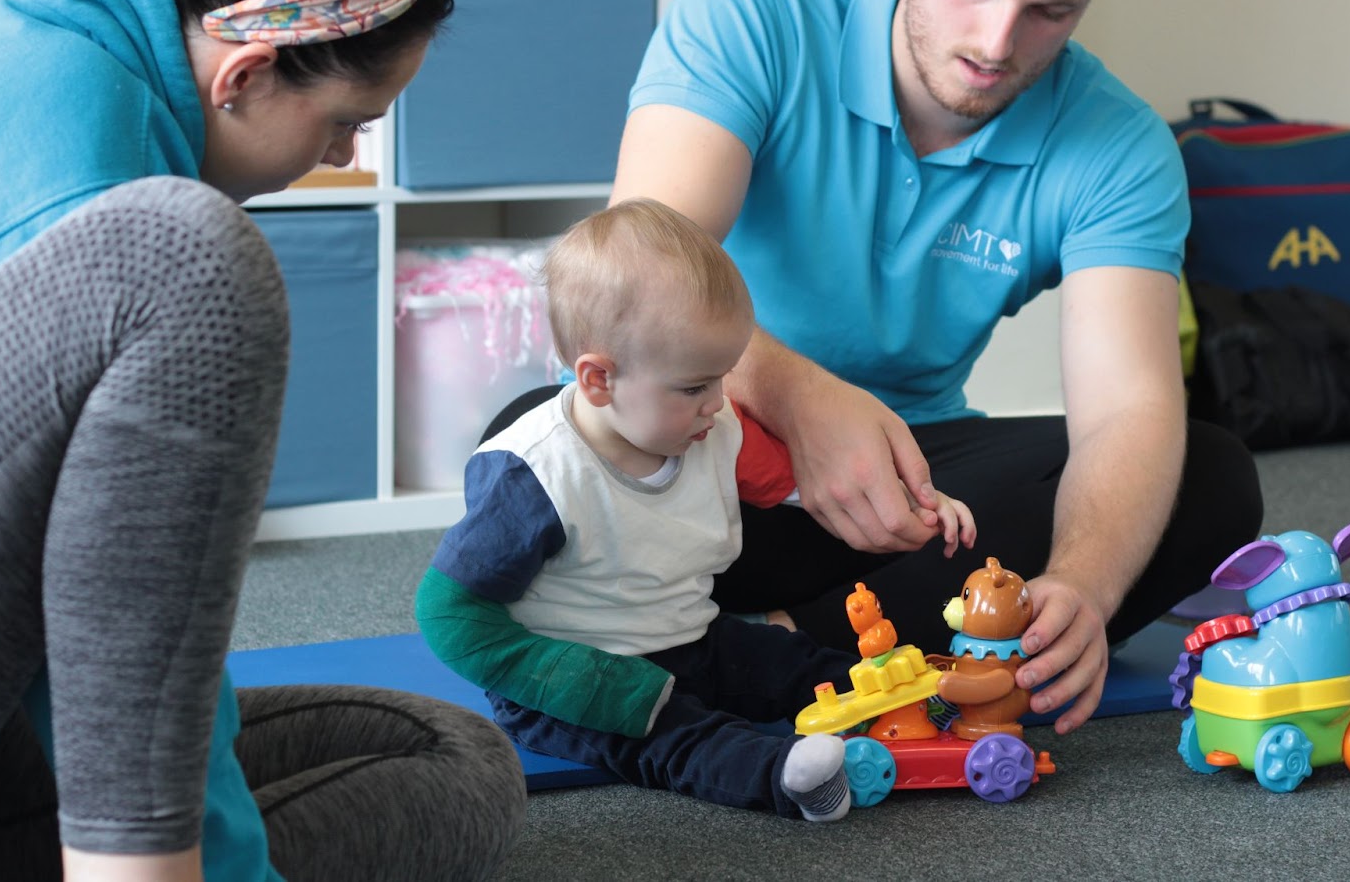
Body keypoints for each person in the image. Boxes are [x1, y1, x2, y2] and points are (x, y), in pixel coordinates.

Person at [605, 0, 1265, 737]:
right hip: (705, 441)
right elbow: (642, 267)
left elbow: (1128, 410)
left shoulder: (1120, 147)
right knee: (528, 441)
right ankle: (839, 645)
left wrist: (1083, 581)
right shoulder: (755, 8)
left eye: (1051, 10)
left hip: (910, 497)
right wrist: (802, 400)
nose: (998, 42)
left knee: (1210, 477)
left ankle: (767, 654)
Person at [0, 0, 524, 880]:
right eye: (343, 122)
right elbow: (86, 638)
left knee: (436, 745)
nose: (340, 154)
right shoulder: (90, 176)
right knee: (446, 786)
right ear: (244, 77)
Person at [416, 198, 976, 821]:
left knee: (793, 663)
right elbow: (449, 614)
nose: (718, 403)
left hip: (690, 638)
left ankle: (909, 707)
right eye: (693, 387)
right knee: (678, 739)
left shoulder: (714, 426)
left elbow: (805, 483)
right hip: (586, 682)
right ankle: (789, 779)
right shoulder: (534, 476)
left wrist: (921, 501)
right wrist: (576, 681)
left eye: (722, 377)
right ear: (599, 380)